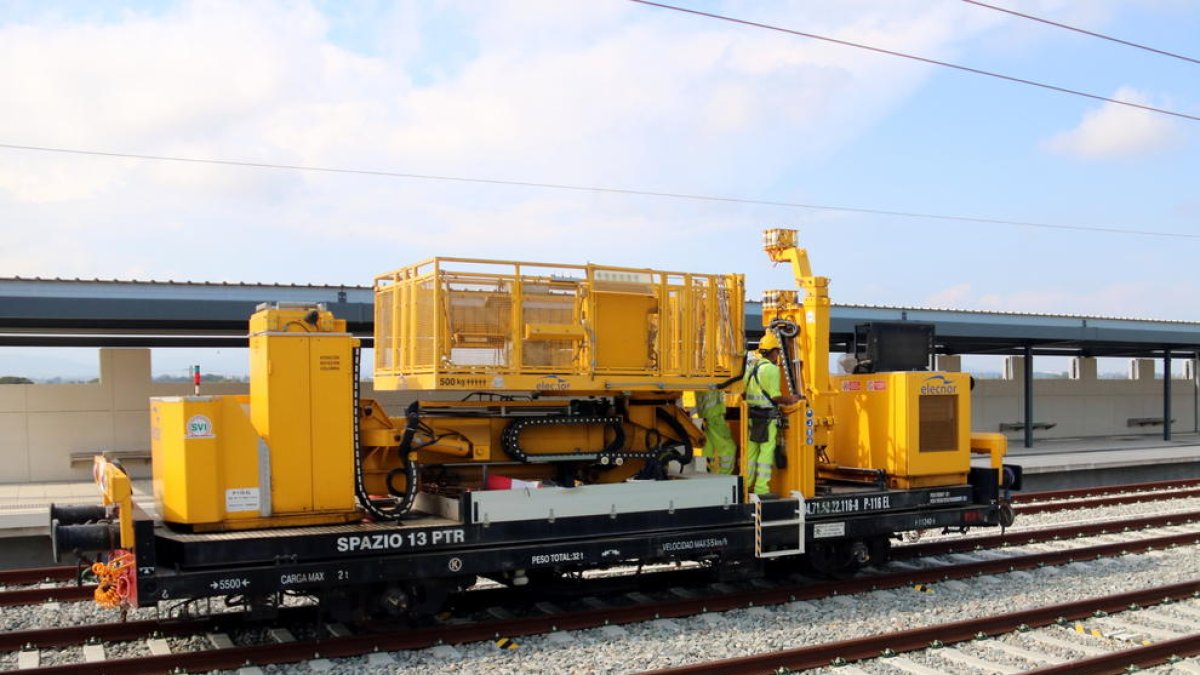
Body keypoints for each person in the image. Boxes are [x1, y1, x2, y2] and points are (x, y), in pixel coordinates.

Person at [742, 332, 800, 496]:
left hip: (753, 415)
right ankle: (761, 489)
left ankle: (746, 486)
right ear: (774, 351)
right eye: (778, 352)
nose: (779, 355)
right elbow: (775, 397)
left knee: (751, 453)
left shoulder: (752, 367)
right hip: (767, 417)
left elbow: (742, 390)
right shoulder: (772, 370)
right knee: (766, 453)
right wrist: (792, 399)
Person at [694, 389, 735, 474]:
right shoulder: (712, 378)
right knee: (729, 449)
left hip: (705, 416)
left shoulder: (700, 378)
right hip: (715, 417)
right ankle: (724, 478)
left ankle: (707, 475)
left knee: (707, 449)